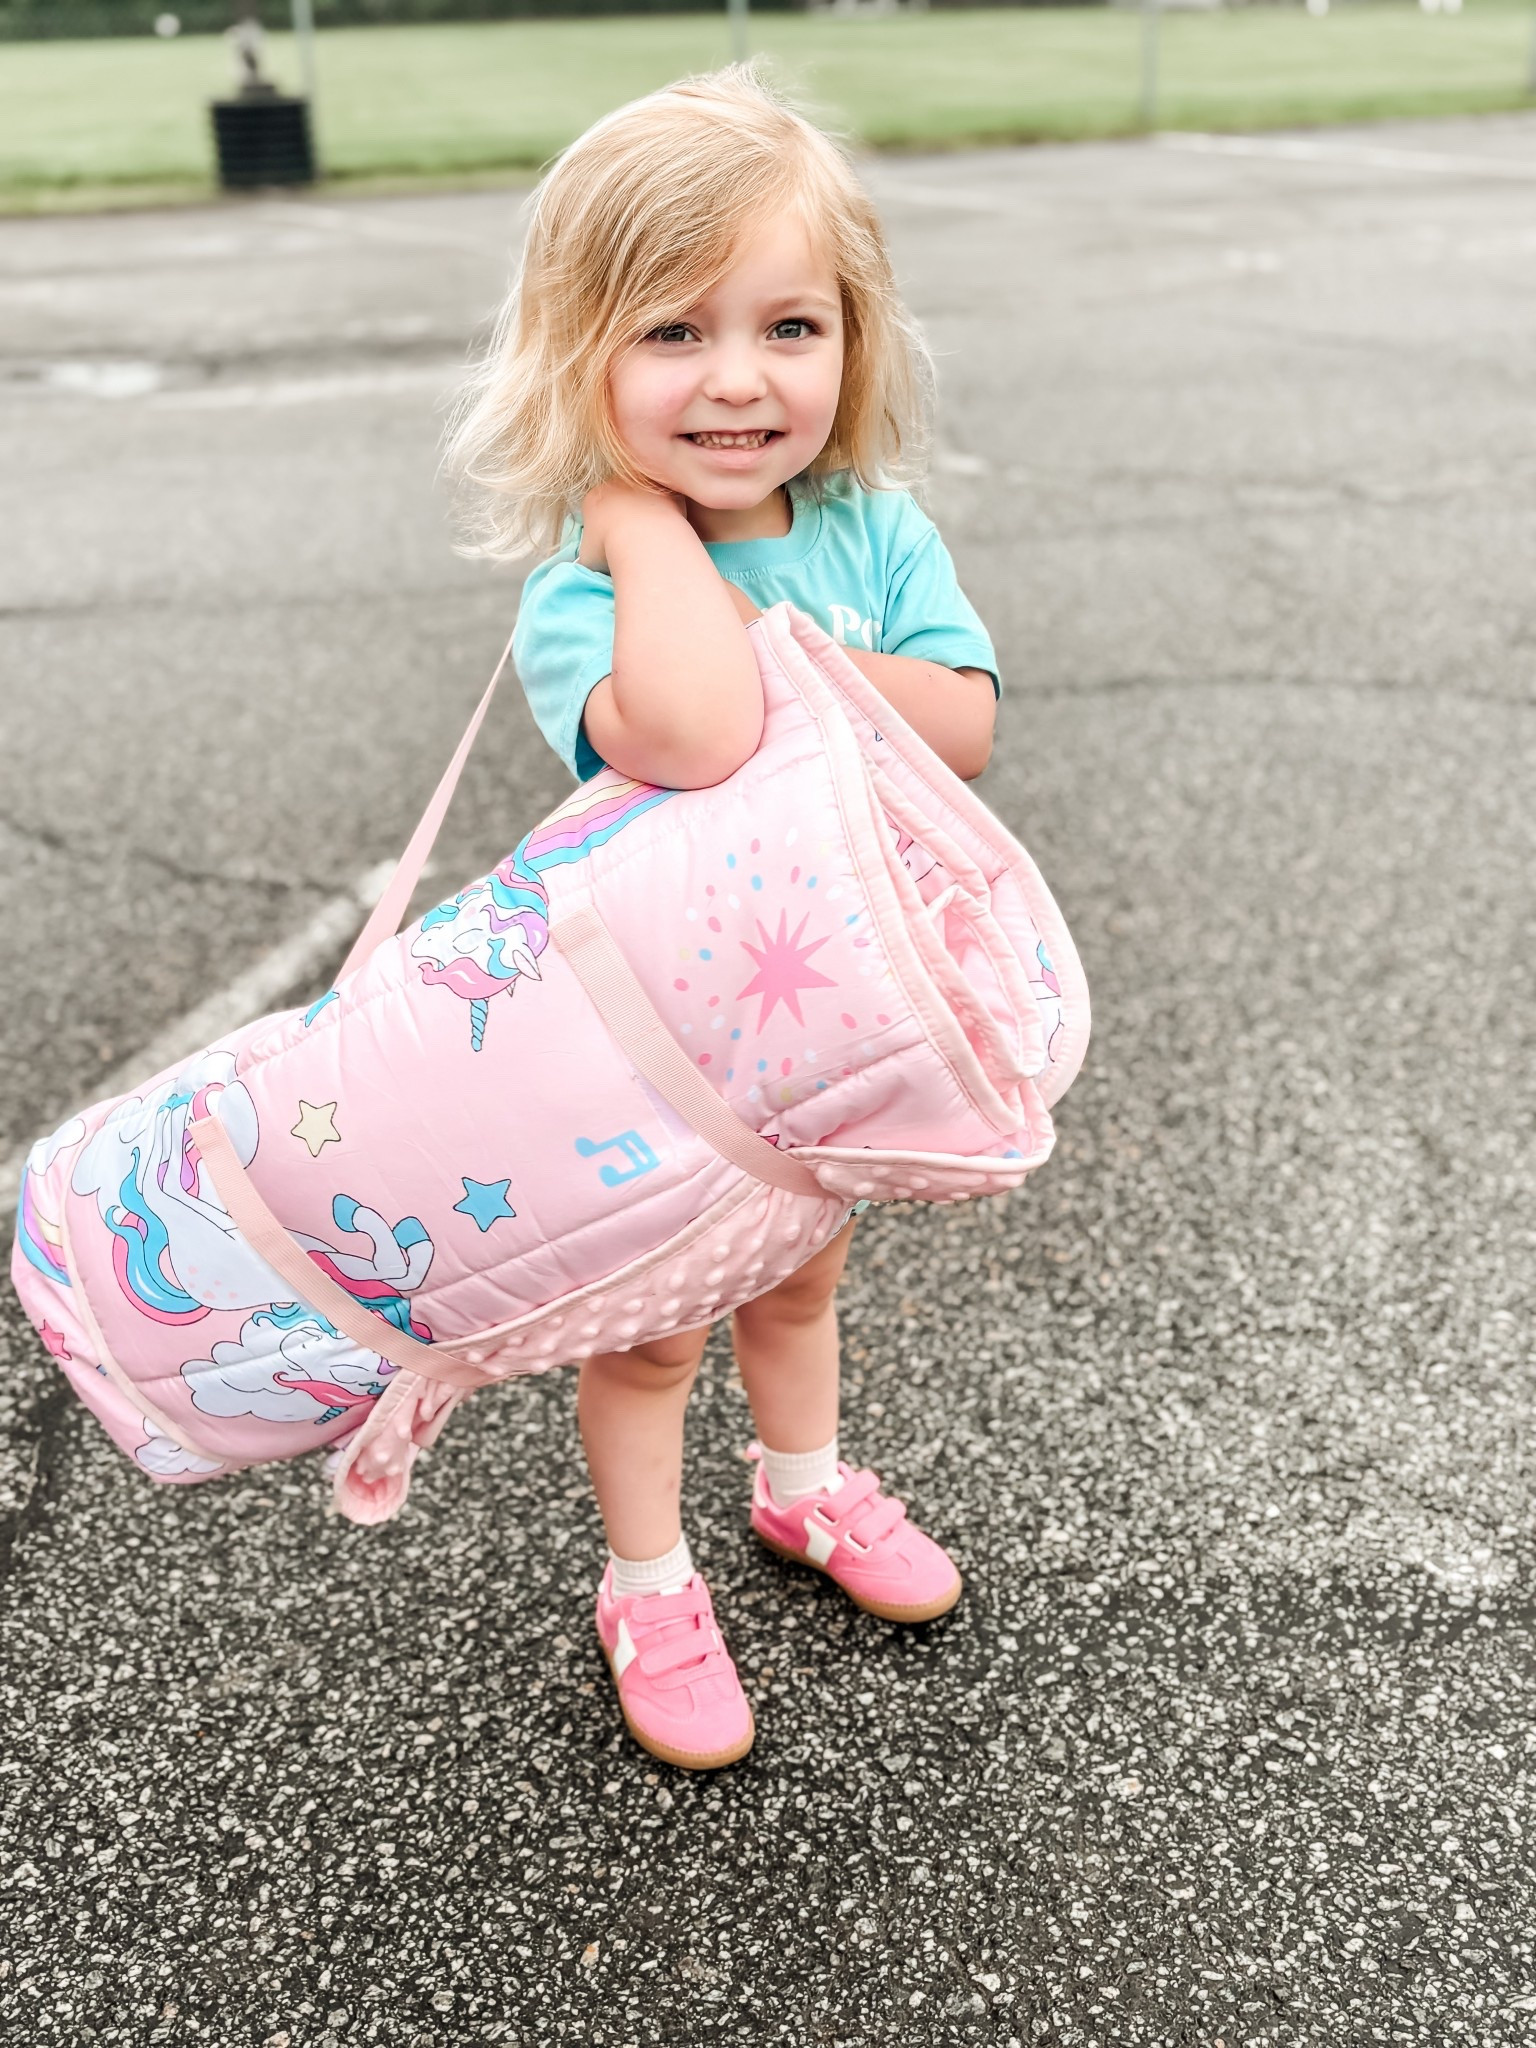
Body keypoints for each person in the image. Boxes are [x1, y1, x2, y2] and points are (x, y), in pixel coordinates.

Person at [446, 62, 1001, 1772]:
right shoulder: (584, 588)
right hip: (661, 1054)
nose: (742, 379)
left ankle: (805, 1487)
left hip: (831, 1029)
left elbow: (969, 721)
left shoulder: (876, 529)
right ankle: (647, 1577)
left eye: (791, 326)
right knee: (656, 1324)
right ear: (580, 361)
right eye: (672, 334)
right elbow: (687, 734)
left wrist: (782, 660)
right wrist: (634, 527)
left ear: (856, 340)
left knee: (802, 1285)